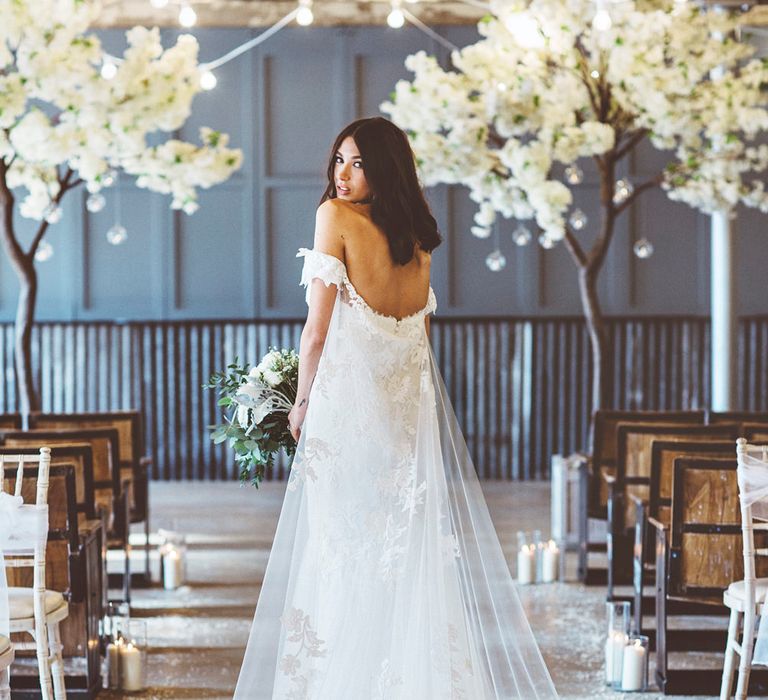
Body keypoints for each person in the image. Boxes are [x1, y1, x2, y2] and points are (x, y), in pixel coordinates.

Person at [234, 117, 558, 699]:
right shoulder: (419, 242)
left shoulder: (334, 219)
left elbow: (316, 334)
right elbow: (418, 344)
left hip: (348, 422)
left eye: (357, 162)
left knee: (339, 556)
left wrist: (300, 404)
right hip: (405, 426)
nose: (342, 174)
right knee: (400, 561)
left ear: (385, 169)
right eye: (339, 159)